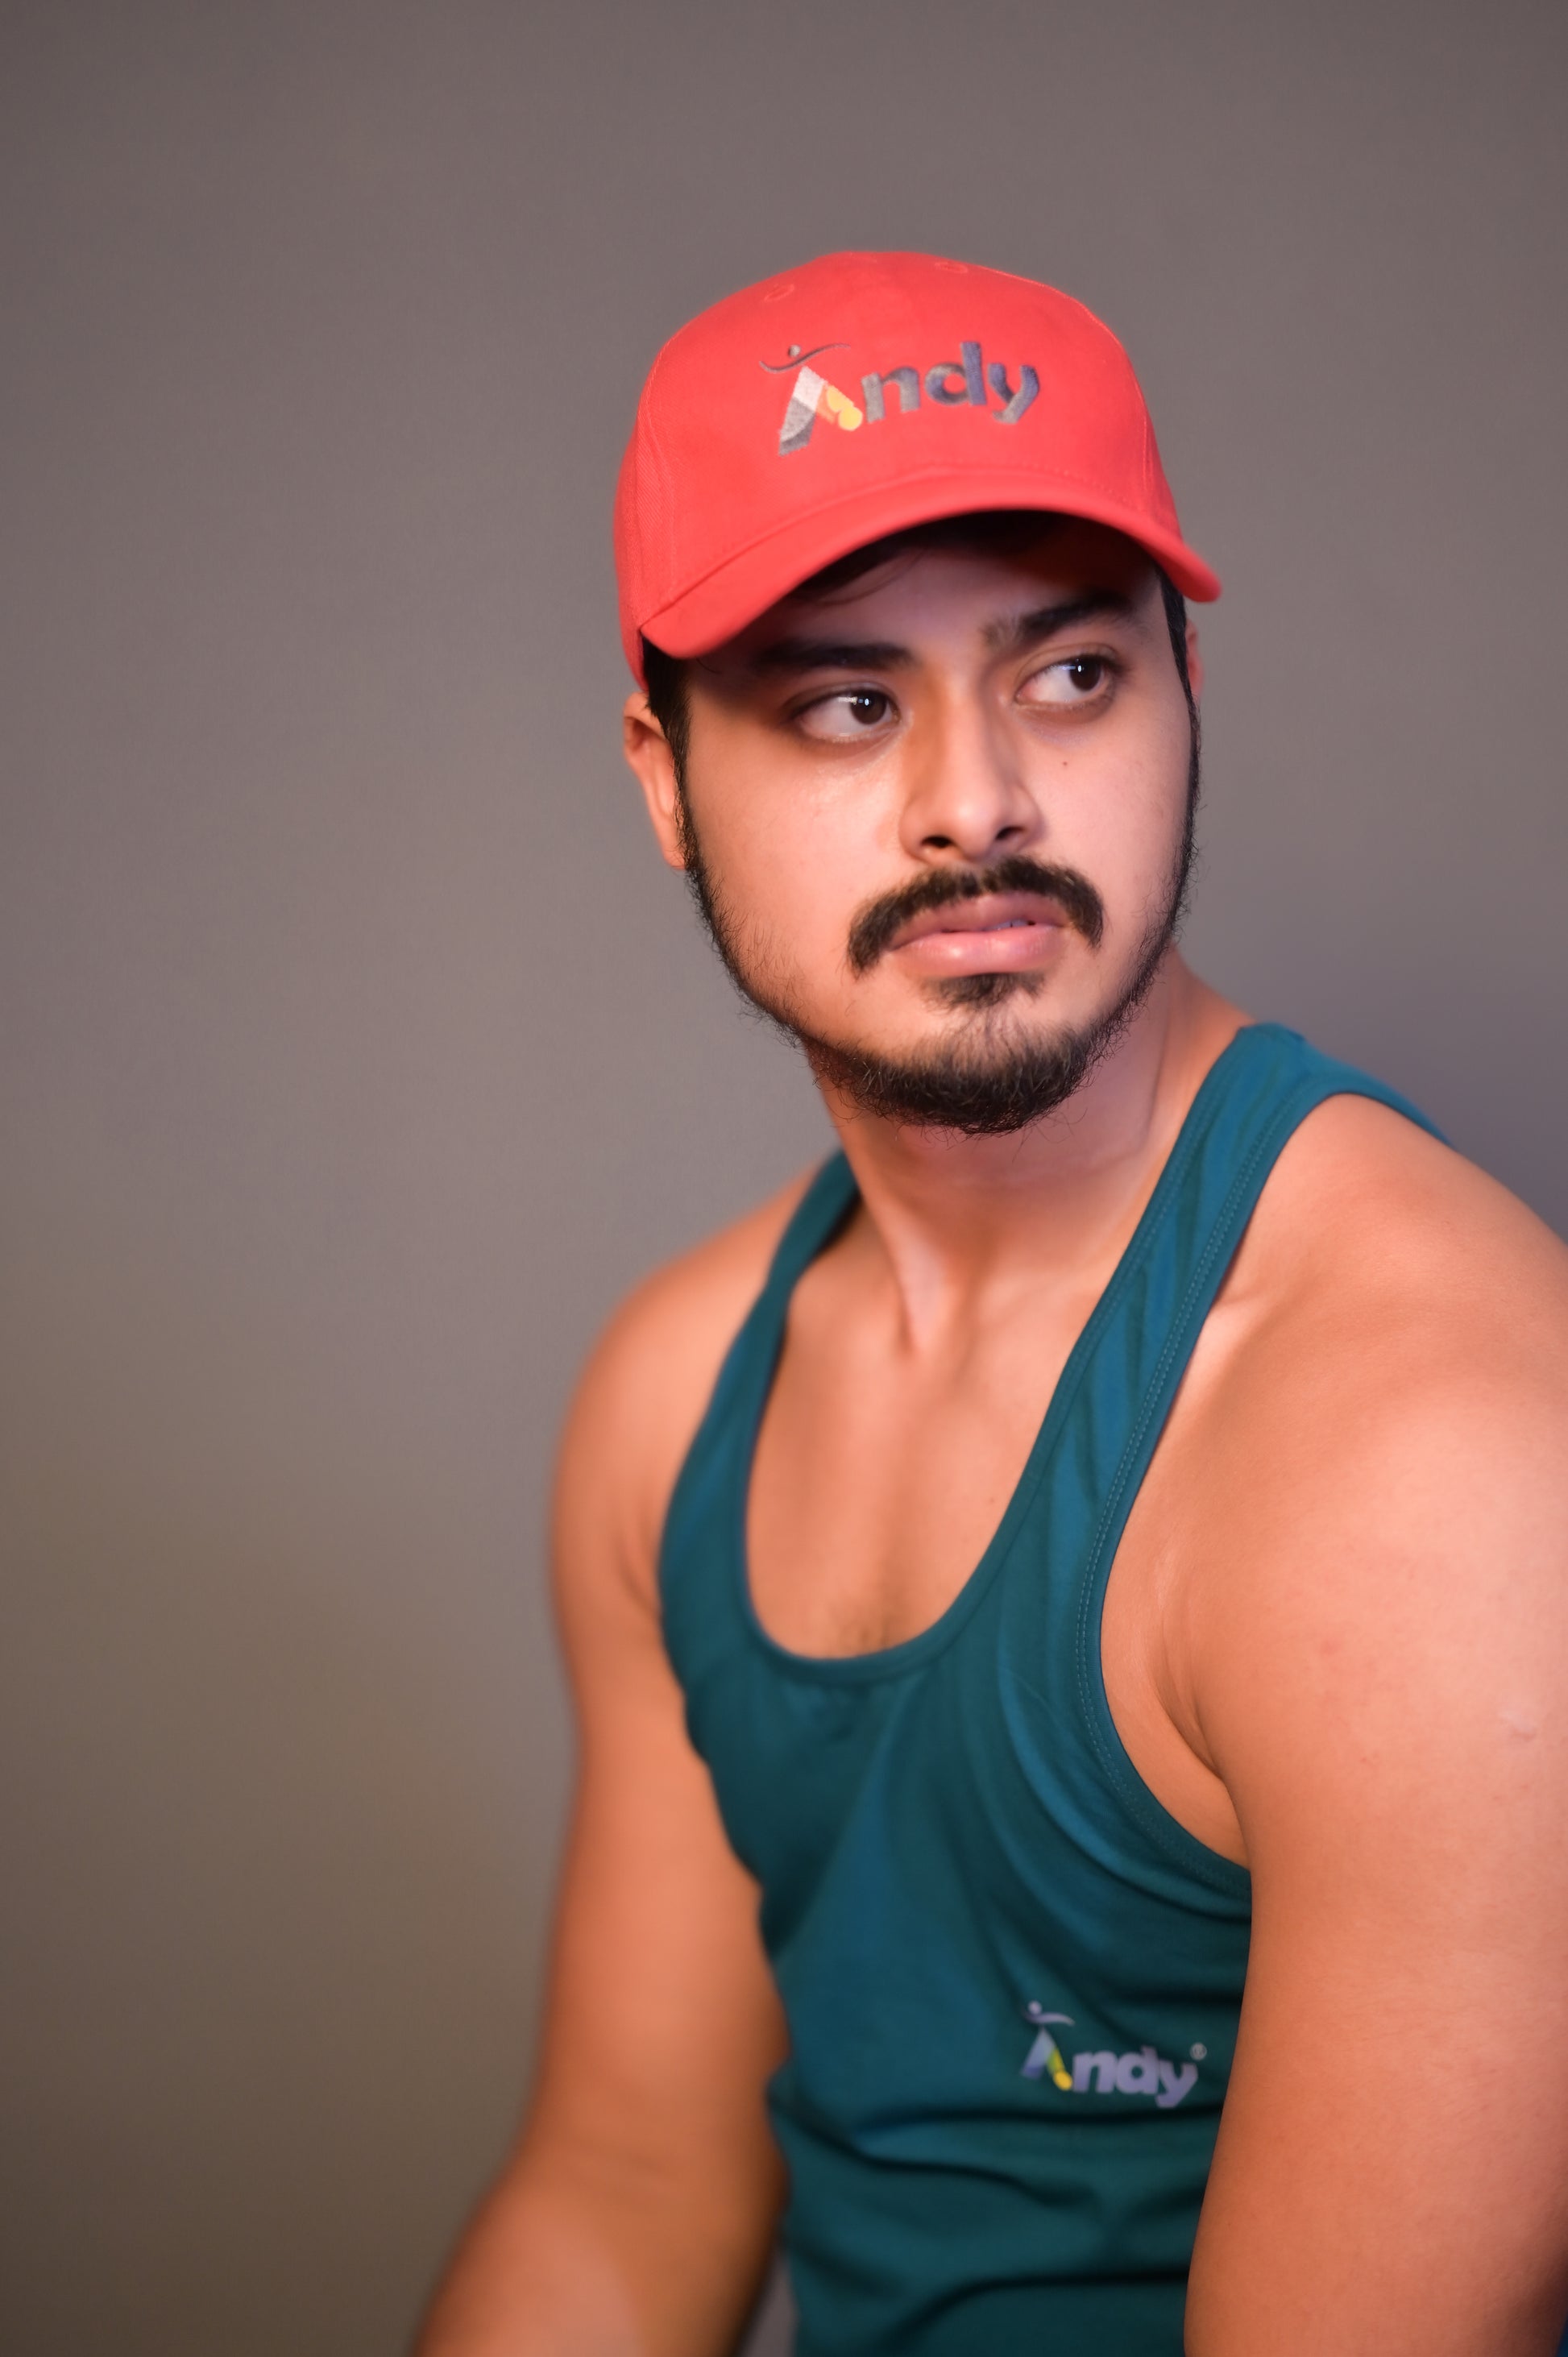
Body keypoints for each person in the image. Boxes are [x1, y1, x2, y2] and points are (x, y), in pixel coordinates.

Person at [415, 252, 1568, 2355]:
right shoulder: (681, 1394)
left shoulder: (1437, 1449)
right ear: (664, 778)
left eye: (1070, 674)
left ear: (1185, 692)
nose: (978, 799)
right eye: (846, 704)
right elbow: (629, 2186)